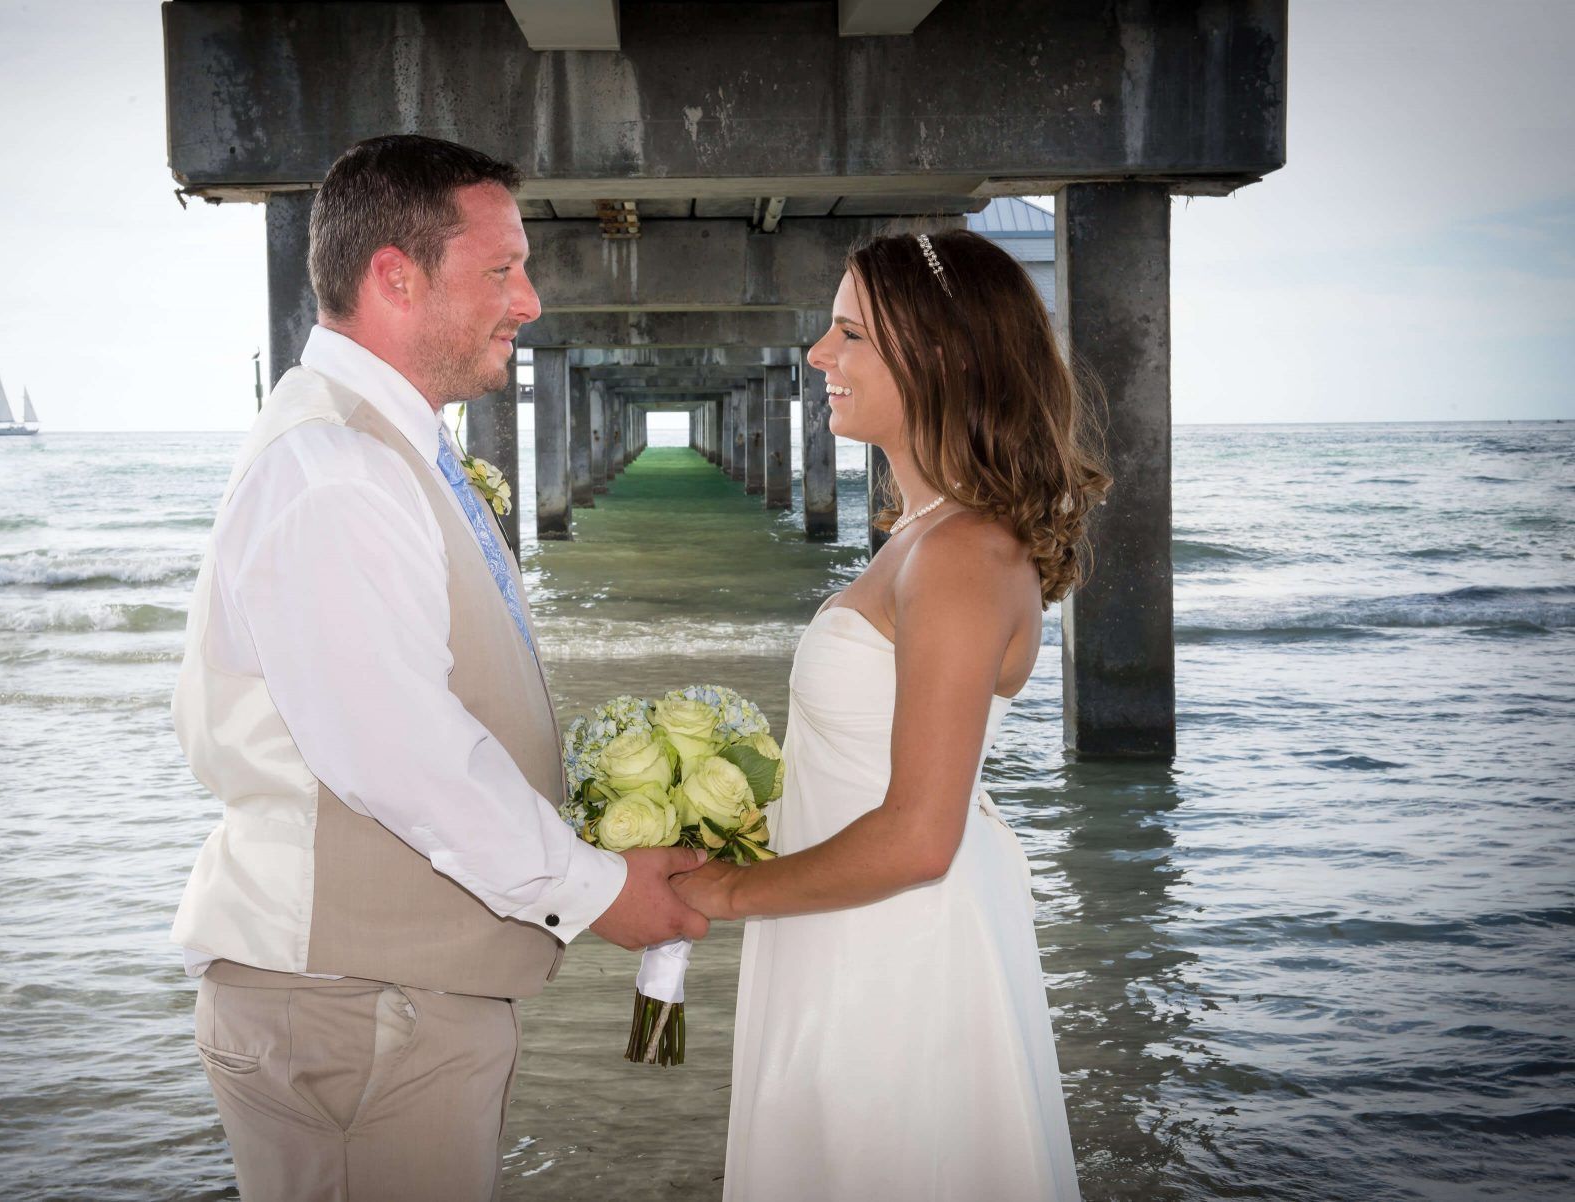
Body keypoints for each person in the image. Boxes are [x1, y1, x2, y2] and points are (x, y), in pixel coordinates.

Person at [168, 134, 708, 1202]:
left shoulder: (388, 449)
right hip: (359, 1004)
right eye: (502, 269)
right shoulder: (335, 471)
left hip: (385, 999)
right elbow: (404, 754)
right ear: (395, 277)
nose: (533, 300)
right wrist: (600, 893)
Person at [674, 229, 1109, 1201]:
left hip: (897, 957)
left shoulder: (960, 554)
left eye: (851, 334)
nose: (820, 356)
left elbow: (919, 835)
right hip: (850, 929)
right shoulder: (926, 534)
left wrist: (721, 894)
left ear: (943, 355)